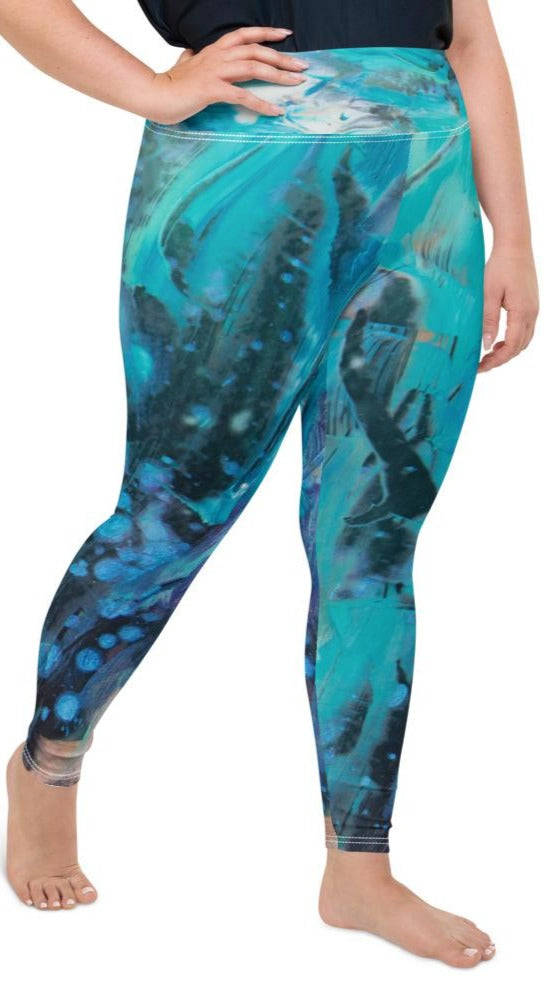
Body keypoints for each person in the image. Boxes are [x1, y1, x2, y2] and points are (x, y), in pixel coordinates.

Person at [1, 0, 538, 967]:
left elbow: (470, 40)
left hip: (429, 196)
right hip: (239, 177)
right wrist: (152, 89)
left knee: (373, 540)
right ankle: (49, 763)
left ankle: (359, 867)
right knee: (170, 517)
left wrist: (514, 236)